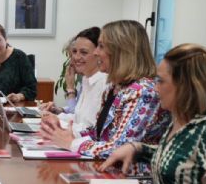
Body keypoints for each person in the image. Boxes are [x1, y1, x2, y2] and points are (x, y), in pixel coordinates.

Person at [100, 43, 206, 184]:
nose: (155, 88)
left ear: (185, 86)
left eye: (161, 81)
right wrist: (138, 149)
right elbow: (179, 157)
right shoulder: (179, 120)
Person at [40, 20, 170, 158]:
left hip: (130, 177)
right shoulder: (115, 88)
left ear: (120, 51)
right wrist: (64, 132)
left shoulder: (143, 92)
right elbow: (99, 134)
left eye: (101, 46)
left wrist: (72, 143)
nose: (96, 52)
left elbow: (119, 149)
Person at [40, 27, 108, 132]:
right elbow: (77, 118)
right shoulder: (87, 80)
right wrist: (54, 117)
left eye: (84, 52)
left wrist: (58, 123)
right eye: (75, 51)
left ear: (98, 54)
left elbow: (90, 129)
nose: (76, 57)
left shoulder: (104, 84)